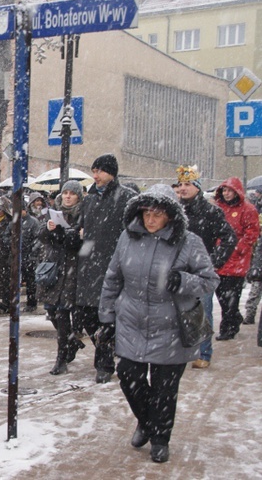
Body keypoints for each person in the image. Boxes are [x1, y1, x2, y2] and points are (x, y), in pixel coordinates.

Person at [99, 184, 218, 464]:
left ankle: (160, 438)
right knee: (128, 375)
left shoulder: (189, 242)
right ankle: (146, 421)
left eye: (158, 214)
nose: (150, 219)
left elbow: (210, 280)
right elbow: (113, 278)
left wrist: (184, 281)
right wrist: (106, 317)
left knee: (165, 388)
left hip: (171, 326)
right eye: (146, 213)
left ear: (171, 216)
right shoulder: (127, 239)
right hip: (131, 321)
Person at [76, 153, 135, 384]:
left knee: (107, 318)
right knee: (87, 316)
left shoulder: (127, 198)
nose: (95, 175)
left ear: (112, 172)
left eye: (99, 171)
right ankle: (108, 350)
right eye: (94, 170)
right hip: (88, 265)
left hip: (113, 266)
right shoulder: (89, 199)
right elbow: (83, 229)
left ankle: (104, 363)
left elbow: (132, 232)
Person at [176, 166, 236, 368]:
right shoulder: (174, 210)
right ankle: (180, 350)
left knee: (202, 311)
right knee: (176, 311)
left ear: (197, 187)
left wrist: (214, 261)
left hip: (201, 271)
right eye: (180, 184)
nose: (183, 188)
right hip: (177, 270)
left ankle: (203, 352)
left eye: (188, 184)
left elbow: (229, 237)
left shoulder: (211, 211)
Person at [38, 180, 85, 375]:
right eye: (65, 192)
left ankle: (61, 357)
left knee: (63, 313)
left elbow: (76, 243)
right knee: (51, 311)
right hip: (53, 269)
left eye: (71, 193)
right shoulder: (53, 212)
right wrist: (49, 229)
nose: (67, 196)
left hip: (72, 270)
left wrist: (67, 234)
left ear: (78, 196)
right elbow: (40, 235)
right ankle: (71, 341)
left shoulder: (83, 215)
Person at [213, 177, 259, 340]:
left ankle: (228, 328)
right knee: (221, 293)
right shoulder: (219, 208)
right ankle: (234, 318)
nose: (226, 194)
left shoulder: (248, 209)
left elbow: (252, 232)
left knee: (231, 295)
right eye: (224, 190)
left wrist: (237, 248)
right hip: (220, 257)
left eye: (229, 190)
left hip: (237, 260)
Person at [21, 197, 43, 312]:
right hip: (19, 256)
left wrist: (32, 251)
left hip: (30, 257)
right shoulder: (14, 222)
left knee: (31, 281)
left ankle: (32, 302)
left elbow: (38, 239)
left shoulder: (33, 222)